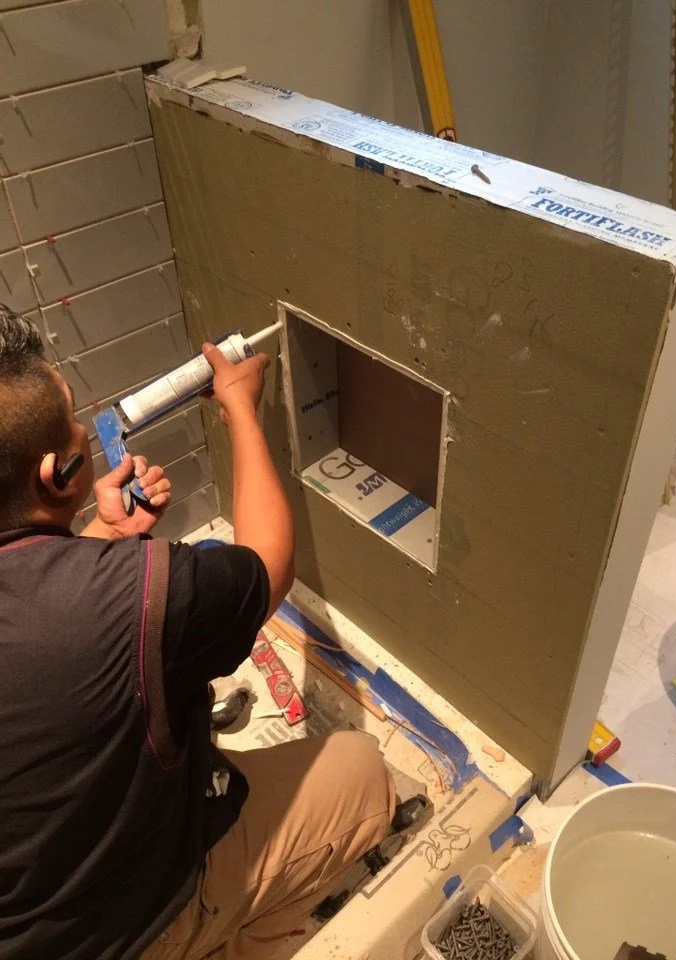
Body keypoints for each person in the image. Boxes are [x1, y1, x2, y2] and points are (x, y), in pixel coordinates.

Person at [0, 304, 395, 960]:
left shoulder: (97, 589)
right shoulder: (129, 597)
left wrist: (94, 540)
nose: (80, 429)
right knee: (364, 775)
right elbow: (269, 564)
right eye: (73, 423)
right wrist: (241, 409)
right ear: (54, 477)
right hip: (124, 934)